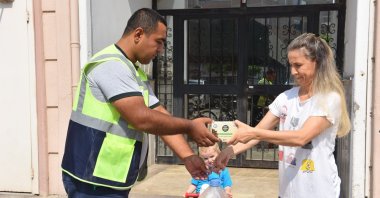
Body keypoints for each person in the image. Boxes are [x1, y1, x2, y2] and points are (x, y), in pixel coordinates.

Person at [61, 8, 219, 198]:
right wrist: (190, 126)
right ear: (138, 34)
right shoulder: (111, 66)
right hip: (91, 177)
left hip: (109, 174)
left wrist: (188, 156)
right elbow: (141, 119)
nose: (161, 50)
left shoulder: (132, 72)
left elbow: (158, 114)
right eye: (158, 42)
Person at [214, 33, 351, 198]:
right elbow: (257, 133)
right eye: (291, 65)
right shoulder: (286, 97)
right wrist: (228, 152)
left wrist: (254, 132)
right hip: (287, 191)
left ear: (318, 62)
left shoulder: (329, 98)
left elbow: (301, 137)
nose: (293, 71)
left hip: (319, 191)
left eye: (298, 65)